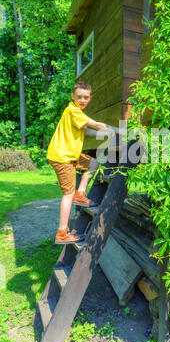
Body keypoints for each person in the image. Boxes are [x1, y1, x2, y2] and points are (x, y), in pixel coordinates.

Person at [47, 80, 114, 245]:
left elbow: (87, 131)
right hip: (62, 158)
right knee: (67, 194)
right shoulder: (73, 110)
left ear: (90, 98)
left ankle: (81, 193)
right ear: (73, 96)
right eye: (79, 97)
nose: (82, 100)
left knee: (93, 163)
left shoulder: (76, 113)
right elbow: (94, 124)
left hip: (71, 155)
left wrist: (106, 135)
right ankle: (62, 232)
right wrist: (115, 129)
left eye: (85, 97)